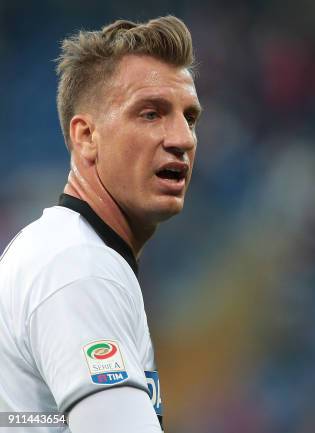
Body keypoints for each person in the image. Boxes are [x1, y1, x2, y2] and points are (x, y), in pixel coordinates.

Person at [0, 15, 201, 433]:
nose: (181, 138)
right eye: (151, 114)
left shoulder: (62, 249)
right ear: (86, 136)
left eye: (190, 117)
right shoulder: (79, 266)